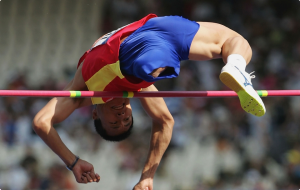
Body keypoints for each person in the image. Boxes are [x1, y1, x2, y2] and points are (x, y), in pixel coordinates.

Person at [33, 14, 265, 190]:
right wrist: (147, 176)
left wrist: (73, 163)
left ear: (95, 114)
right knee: (232, 40)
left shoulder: (84, 92)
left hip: (129, 51)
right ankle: (236, 65)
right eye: (127, 119)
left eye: (115, 123)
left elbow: (42, 122)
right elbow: (165, 121)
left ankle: (156, 65)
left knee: (147, 71)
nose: (122, 116)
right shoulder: (138, 89)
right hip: (159, 31)